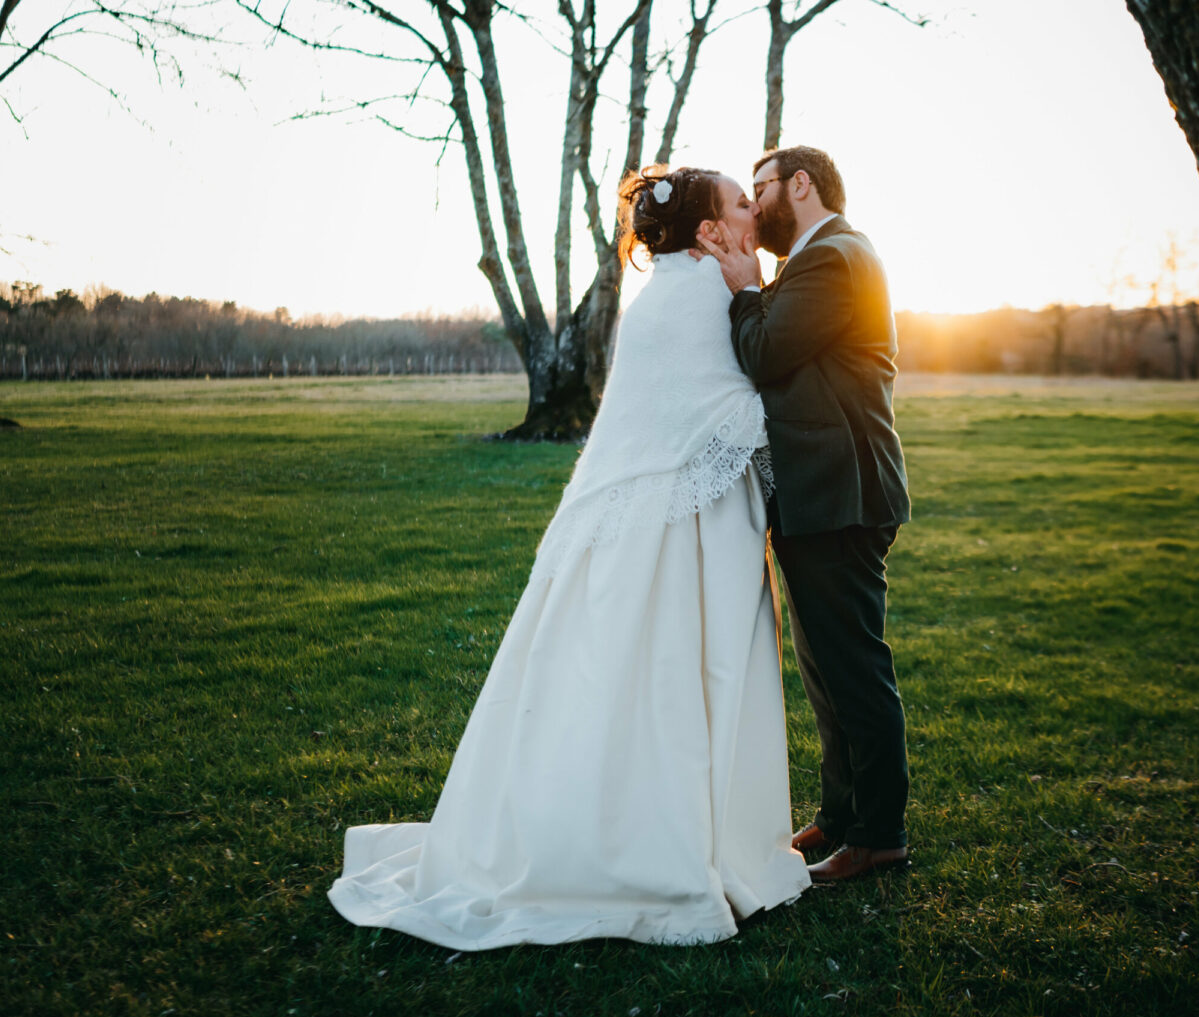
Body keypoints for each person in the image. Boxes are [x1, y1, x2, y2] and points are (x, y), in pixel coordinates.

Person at [326, 166, 810, 950]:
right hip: (679, 534)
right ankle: (664, 852)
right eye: (740, 202)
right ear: (709, 230)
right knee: (679, 678)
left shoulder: (675, 288)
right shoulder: (699, 294)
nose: (754, 211)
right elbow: (729, 414)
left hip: (665, 516)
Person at [698, 145, 913, 882]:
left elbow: (764, 353)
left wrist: (744, 290)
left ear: (800, 184)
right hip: (817, 493)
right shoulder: (818, 259)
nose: (753, 208)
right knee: (824, 670)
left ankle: (879, 835)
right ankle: (842, 815)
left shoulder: (833, 258)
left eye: (758, 190)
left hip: (841, 493)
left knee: (854, 670)